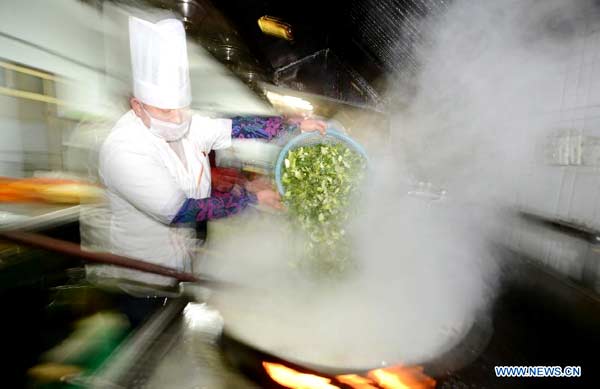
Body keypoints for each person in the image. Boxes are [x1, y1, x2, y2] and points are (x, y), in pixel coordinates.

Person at [86, 16, 325, 295]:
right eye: (165, 110)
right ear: (138, 106)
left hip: (180, 265)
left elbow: (233, 126)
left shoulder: (184, 120)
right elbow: (182, 210)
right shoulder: (124, 151)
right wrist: (253, 197)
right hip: (144, 279)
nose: (177, 119)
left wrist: (290, 126)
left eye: (182, 107)